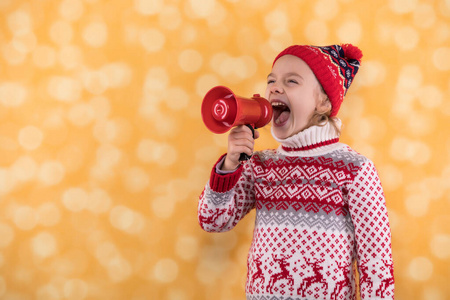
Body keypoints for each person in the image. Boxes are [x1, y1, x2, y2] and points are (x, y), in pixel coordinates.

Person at [198, 44, 395, 299]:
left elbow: (376, 266)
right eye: (271, 81)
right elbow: (213, 220)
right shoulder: (260, 166)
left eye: (291, 81)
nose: (275, 87)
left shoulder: (355, 170)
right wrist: (231, 165)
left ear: (323, 101)